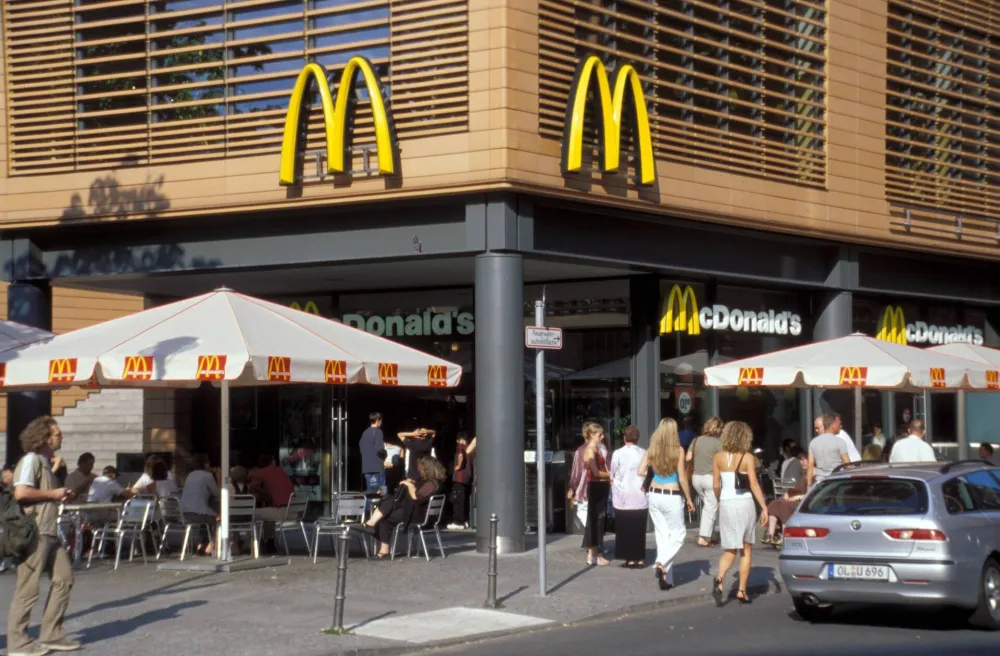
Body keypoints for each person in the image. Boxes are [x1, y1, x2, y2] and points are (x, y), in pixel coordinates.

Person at [6, 416, 79, 655]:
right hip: (35, 530)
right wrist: (54, 493)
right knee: (27, 588)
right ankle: (18, 642)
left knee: (64, 578)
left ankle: (51, 633)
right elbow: (22, 492)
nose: (61, 437)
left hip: (49, 531)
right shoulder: (31, 460)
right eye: (58, 434)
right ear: (45, 438)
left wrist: (57, 494)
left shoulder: (46, 463)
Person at [712, 421, 769, 606]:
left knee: (729, 547)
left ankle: (720, 578)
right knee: (745, 548)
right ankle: (742, 591)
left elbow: (715, 485)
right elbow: (753, 484)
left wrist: (720, 499)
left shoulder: (718, 457)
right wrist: (764, 506)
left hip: (727, 503)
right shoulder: (747, 457)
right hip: (744, 503)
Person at [642, 419, 695, 588]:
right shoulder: (678, 451)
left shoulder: (652, 449)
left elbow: (641, 470)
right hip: (671, 495)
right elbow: (681, 477)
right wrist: (689, 498)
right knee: (679, 534)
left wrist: (653, 468)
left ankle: (667, 579)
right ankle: (661, 563)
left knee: (662, 536)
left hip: (654, 494)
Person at [362, 456, 446, 558]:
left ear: (427, 468)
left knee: (388, 506)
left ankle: (372, 526)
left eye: (421, 467)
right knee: (389, 504)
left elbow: (416, 496)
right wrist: (412, 483)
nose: (419, 469)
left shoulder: (432, 483)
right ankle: (379, 540)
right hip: (415, 511)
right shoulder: (430, 482)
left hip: (418, 515)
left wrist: (410, 485)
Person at [610, 425, 648, 568]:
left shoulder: (618, 453)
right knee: (639, 527)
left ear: (624, 437)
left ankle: (630, 558)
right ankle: (640, 558)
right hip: (640, 493)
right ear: (637, 438)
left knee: (624, 527)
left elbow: (613, 472)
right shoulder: (643, 452)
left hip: (623, 494)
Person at [687, 416, 724, 548]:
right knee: (711, 507)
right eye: (720, 428)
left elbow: (688, 457)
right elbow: (724, 461)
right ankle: (703, 537)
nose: (721, 430)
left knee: (708, 505)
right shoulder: (718, 443)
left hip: (696, 478)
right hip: (710, 478)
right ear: (716, 428)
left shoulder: (696, 440)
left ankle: (711, 535)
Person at [581, 421, 612, 566]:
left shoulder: (597, 449)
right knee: (595, 520)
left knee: (598, 520)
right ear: (593, 435)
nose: (602, 436)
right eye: (600, 434)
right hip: (596, 486)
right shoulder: (590, 450)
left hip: (600, 486)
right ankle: (593, 554)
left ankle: (594, 553)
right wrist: (611, 475)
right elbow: (595, 472)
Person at [179, 454, 219, 556]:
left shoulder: (190, 475)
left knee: (207, 516)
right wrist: (218, 477)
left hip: (185, 514)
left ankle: (201, 544)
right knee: (216, 519)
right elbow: (217, 493)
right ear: (205, 464)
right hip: (199, 514)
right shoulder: (207, 476)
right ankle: (209, 547)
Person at [761, 472, 808, 547]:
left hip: (801, 501)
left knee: (785, 506)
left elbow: (810, 493)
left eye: (803, 460)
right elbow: (794, 489)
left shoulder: (815, 477)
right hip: (792, 498)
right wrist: (787, 495)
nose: (801, 462)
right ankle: (770, 535)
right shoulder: (803, 475)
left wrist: (797, 497)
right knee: (774, 503)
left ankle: (784, 536)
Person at [807, 414, 851, 488]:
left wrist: (809, 485)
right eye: (839, 424)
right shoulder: (839, 442)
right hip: (836, 482)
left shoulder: (813, 442)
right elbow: (848, 465)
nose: (841, 426)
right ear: (833, 425)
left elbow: (810, 466)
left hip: (820, 484)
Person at [447, 432, 473, 530]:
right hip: (467, 477)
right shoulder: (468, 447)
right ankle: (465, 520)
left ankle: (459, 522)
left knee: (457, 500)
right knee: (464, 499)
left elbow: (460, 456)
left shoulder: (460, 446)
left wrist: (457, 466)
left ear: (458, 440)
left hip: (460, 477)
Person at [360, 412, 387, 495]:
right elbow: (380, 450)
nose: (381, 422)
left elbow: (361, 447)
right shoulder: (378, 432)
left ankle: (369, 508)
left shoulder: (365, 433)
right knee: (382, 492)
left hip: (367, 468)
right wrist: (385, 457)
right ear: (378, 420)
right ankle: (381, 508)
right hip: (377, 468)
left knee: (371, 493)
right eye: (381, 420)